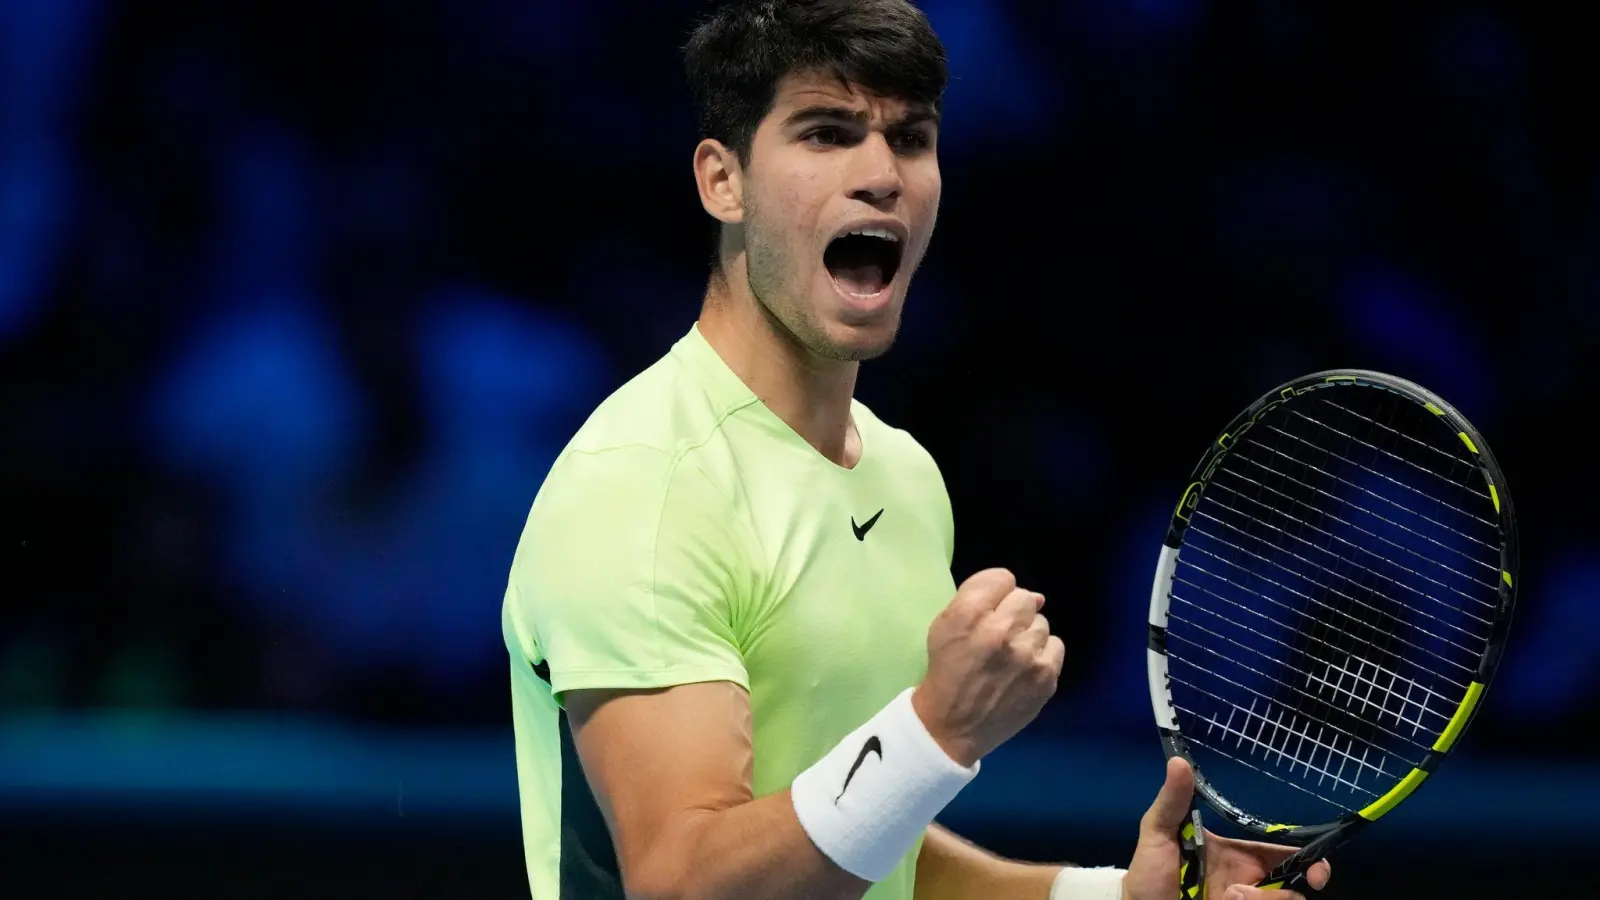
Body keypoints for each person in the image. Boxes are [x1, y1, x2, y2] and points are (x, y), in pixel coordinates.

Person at [500, 1, 1335, 898]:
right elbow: (683, 881)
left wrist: (1116, 895)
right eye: (826, 134)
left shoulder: (903, 475)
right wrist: (934, 730)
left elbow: (867, 852)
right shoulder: (647, 487)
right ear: (722, 181)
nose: (882, 175)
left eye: (910, 138)